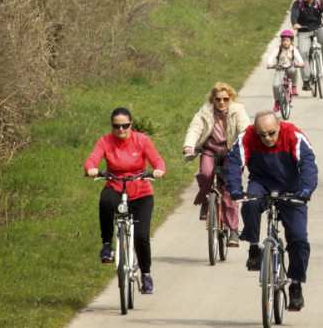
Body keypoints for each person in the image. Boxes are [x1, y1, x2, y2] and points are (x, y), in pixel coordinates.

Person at [227, 111, 318, 312]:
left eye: (271, 133)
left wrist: (305, 190)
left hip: (292, 189)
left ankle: (295, 285)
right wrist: (234, 188)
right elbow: (235, 163)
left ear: (279, 126)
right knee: (249, 203)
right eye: (262, 134)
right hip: (261, 184)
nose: (267, 138)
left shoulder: (293, 135)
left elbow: (309, 164)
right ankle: (254, 247)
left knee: (298, 238)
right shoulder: (247, 136)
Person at [85, 107, 166, 294]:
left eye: (125, 126)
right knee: (105, 202)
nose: (121, 130)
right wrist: (92, 169)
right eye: (116, 126)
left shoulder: (142, 140)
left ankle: (145, 274)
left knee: (141, 236)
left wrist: (159, 170)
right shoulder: (105, 141)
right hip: (115, 186)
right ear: (112, 126)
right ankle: (107, 246)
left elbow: (157, 160)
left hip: (141, 192)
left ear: (131, 124)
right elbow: (92, 159)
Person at [183, 82, 249, 246]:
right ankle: (206, 201)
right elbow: (195, 127)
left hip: (231, 152)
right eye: (218, 99)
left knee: (229, 188)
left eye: (225, 99)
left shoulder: (237, 111)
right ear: (213, 99)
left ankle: (233, 230)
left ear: (230, 99)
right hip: (210, 149)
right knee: (205, 173)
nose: (221, 102)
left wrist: (245, 147)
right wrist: (189, 145)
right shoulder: (206, 111)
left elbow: (244, 130)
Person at [290, 0, 323, 89]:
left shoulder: (320, 2)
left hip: (317, 28)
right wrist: (295, 23)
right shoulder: (298, 3)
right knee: (303, 53)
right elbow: (294, 14)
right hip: (303, 31)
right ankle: (306, 81)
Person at [266, 30, 305, 112]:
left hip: (290, 67)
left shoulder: (294, 49)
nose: (285, 42)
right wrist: (270, 64)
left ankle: (294, 86)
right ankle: (277, 102)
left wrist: (300, 63)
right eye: (284, 40)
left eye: (287, 40)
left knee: (294, 70)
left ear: (291, 41)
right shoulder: (279, 48)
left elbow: (300, 59)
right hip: (280, 68)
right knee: (275, 86)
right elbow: (271, 57)